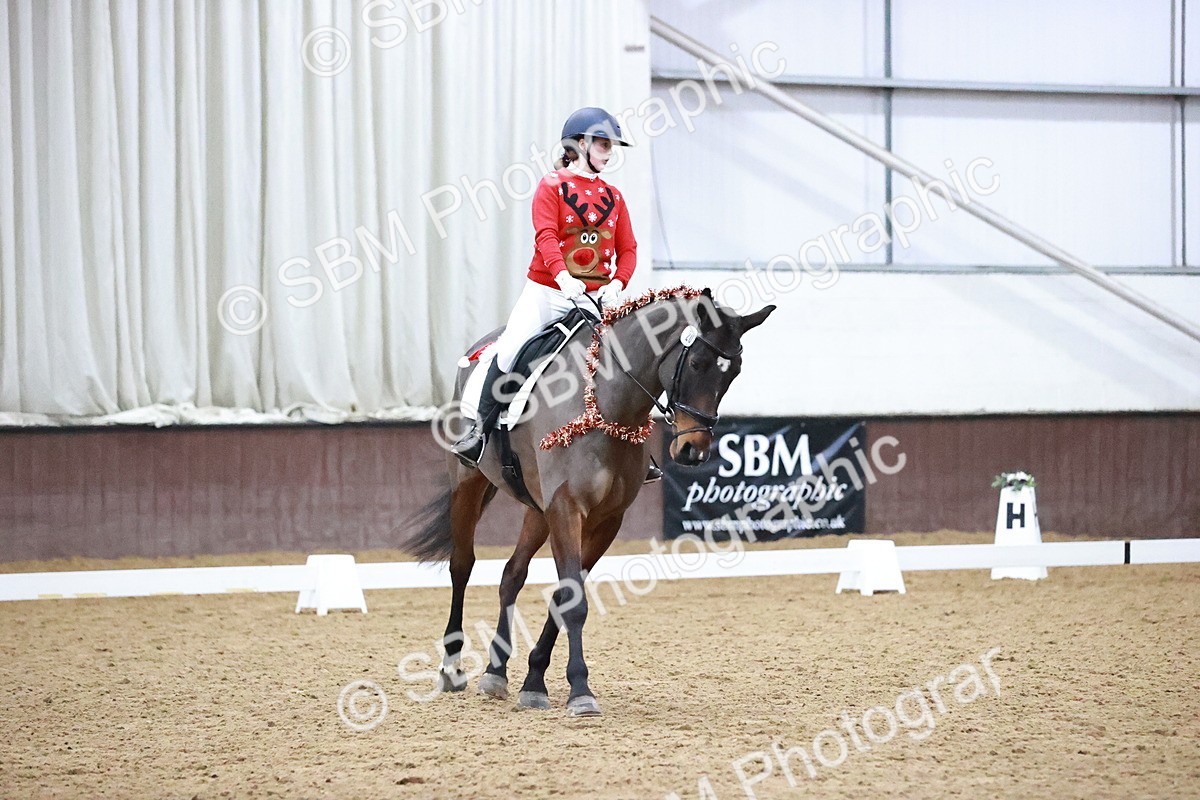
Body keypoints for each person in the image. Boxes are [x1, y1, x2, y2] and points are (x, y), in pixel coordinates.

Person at [452, 107, 660, 482]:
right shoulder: (551, 186)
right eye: (602, 143)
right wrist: (563, 277)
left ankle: (635, 447)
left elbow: (628, 248)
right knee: (512, 347)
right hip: (548, 292)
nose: (609, 151)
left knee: (625, 361)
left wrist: (618, 283)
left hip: (596, 297)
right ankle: (478, 432)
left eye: (610, 145)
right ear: (578, 144)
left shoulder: (614, 196)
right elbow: (546, 236)